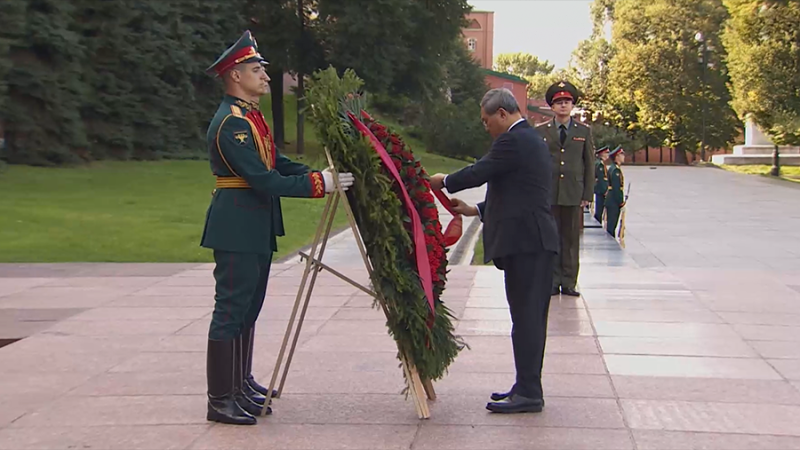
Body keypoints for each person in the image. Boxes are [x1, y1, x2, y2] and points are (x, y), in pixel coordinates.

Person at [200, 30, 354, 425]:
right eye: (257, 70)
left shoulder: (250, 117)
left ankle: (239, 385)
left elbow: (276, 162)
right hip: (237, 225)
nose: (266, 76)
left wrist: (320, 173)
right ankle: (220, 399)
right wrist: (319, 184)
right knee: (231, 309)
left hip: (254, 223)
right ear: (235, 76)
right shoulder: (231, 123)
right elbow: (262, 179)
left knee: (248, 307)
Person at [429, 88, 558, 414]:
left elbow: (480, 171)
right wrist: (474, 210)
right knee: (525, 318)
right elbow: (518, 193)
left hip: (529, 243)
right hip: (531, 242)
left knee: (527, 319)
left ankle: (529, 392)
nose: (485, 127)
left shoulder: (514, 139)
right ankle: (525, 385)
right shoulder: (527, 139)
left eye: (487, 121)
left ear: (502, 113)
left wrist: (444, 181)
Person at [535, 81, 594, 297]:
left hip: (572, 192)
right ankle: (552, 280)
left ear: (572, 105)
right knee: (550, 238)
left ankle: (569, 281)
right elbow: (535, 162)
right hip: (548, 192)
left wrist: (587, 194)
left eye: (567, 101)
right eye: (559, 102)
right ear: (551, 106)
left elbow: (589, 164)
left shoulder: (583, 131)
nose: (563, 105)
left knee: (570, 239)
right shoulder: (541, 131)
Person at [605, 145, 626, 237]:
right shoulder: (615, 170)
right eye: (622, 154)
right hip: (613, 201)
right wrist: (621, 202)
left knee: (611, 225)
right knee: (611, 226)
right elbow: (616, 188)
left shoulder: (613, 168)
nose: (623, 156)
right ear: (617, 156)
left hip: (611, 200)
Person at [593, 146, 610, 223]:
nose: (608, 155)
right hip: (600, 190)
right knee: (599, 209)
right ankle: (597, 223)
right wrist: (605, 191)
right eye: (606, 153)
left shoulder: (600, 163)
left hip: (600, 189)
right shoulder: (600, 164)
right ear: (602, 154)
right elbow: (601, 179)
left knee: (600, 209)